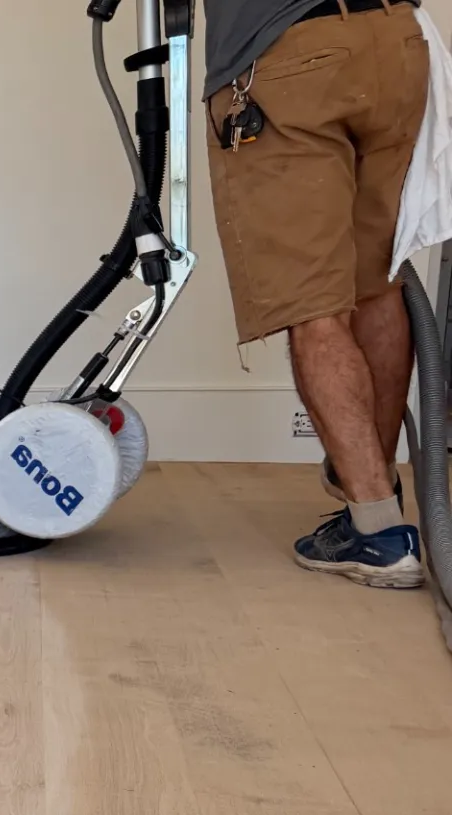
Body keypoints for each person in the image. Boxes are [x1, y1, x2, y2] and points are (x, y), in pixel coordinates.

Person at [205, 0, 430, 587]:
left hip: (290, 52)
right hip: (396, 42)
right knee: (377, 284)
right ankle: (369, 487)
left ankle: (378, 531)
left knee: (313, 306)